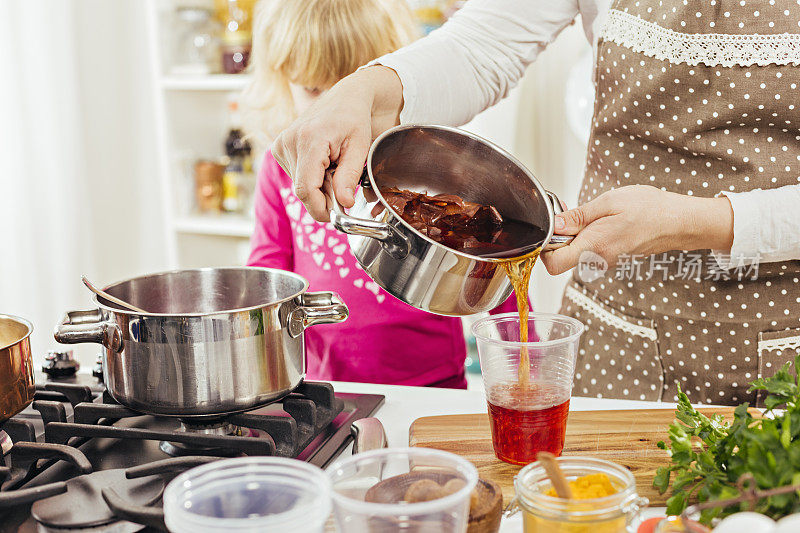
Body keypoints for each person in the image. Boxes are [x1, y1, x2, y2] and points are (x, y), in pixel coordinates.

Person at [271, 0, 800, 406]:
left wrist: (698, 222)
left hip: (784, 336)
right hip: (617, 326)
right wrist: (367, 89)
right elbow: (483, 45)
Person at [242, 0, 521, 389]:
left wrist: (522, 356)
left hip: (434, 383)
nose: (333, 115)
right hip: (326, 387)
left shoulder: (424, 163)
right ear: (282, 82)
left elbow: (488, 261)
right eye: (313, 90)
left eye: (352, 93)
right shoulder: (282, 169)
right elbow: (268, 271)